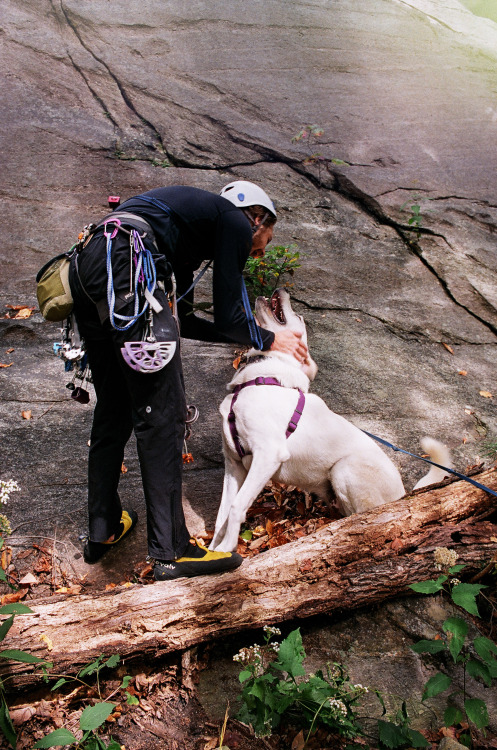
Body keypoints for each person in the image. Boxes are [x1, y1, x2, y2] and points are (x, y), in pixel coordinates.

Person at [68, 181, 308, 581]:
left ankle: (103, 527)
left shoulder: (181, 236)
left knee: (114, 406)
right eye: (268, 235)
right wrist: (272, 340)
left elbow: (187, 322)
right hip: (127, 266)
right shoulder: (234, 220)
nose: (261, 248)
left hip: (91, 267)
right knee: (162, 416)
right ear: (257, 218)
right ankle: (172, 552)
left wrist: (258, 340)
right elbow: (233, 317)